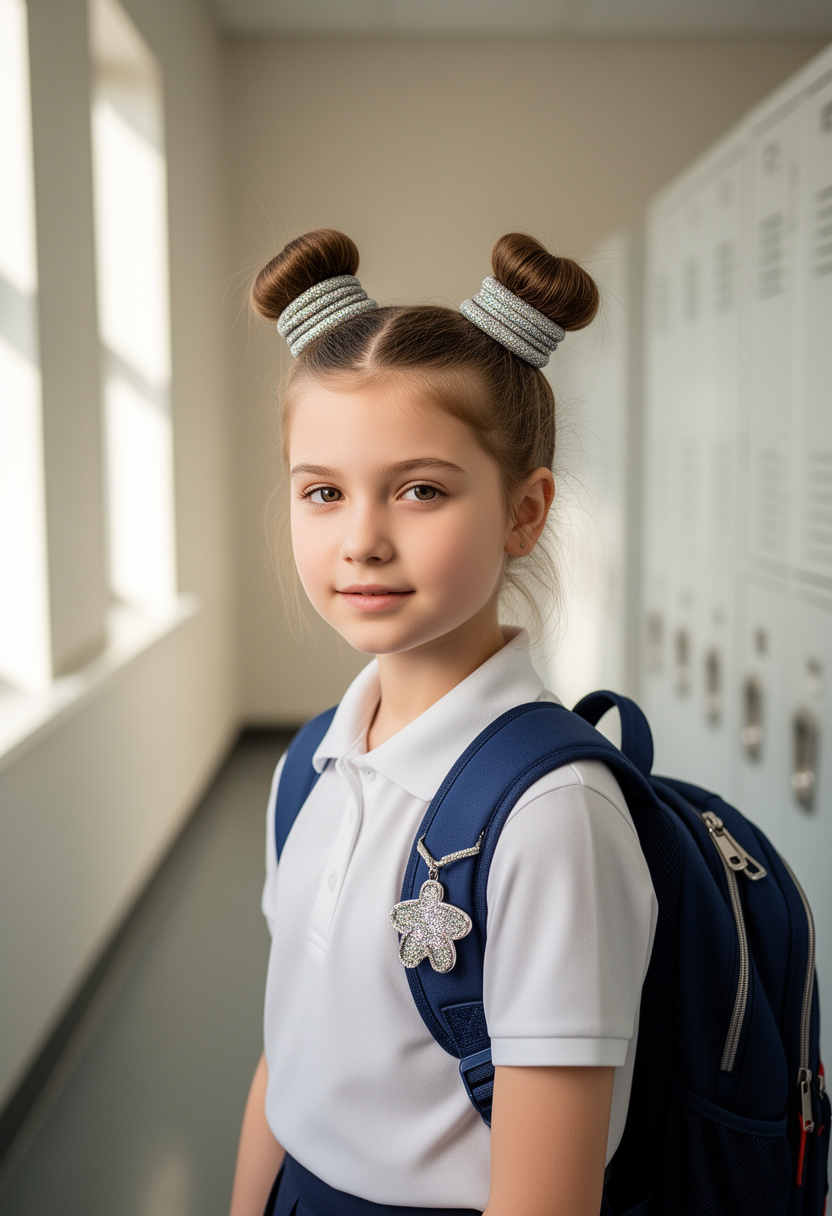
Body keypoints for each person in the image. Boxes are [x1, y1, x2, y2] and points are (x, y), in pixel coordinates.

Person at [229, 228, 657, 1216]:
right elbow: (287, 1057)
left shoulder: (550, 814)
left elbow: (546, 1195)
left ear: (523, 513)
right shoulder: (313, 762)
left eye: (420, 490)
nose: (362, 539)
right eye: (323, 492)